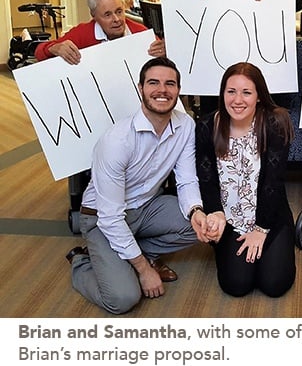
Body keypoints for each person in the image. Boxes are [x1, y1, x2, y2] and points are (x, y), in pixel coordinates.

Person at [65, 57, 226, 314]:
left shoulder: (185, 126)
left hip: (148, 207)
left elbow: (186, 179)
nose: (162, 90)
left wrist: (196, 211)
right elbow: (110, 218)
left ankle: (129, 253)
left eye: (169, 84)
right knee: (123, 298)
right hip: (102, 219)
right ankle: (83, 260)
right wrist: (143, 269)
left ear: (178, 90)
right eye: (153, 83)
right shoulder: (117, 141)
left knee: (202, 226)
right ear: (140, 88)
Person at [195, 62, 296, 297]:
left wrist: (261, 230)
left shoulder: (274, 123)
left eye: (246, 92)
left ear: (259, 96)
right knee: (236, 285)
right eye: (231, 91)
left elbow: (274, 182)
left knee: (274, 284)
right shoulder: (207, 125)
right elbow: (206, 178)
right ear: (223, 93)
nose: (237, 100)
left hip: (268, 216)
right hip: (229, 219)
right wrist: (215, 214)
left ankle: (282, 239)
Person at [34, 0, 164, 64]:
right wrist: (54, 48)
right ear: (94, 16)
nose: (116, 19)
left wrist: (164, 53)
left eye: (119, 11)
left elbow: (165, 64)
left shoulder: (140, 32)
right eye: (107, 14)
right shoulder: (82, 33)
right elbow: (39, 53)